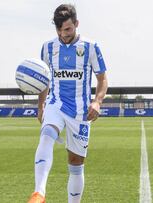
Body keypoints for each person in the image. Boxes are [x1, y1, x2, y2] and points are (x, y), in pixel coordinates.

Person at [28, 4, 108, 203]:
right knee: (47, 134)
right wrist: (41, 105)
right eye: (59, 30)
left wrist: (97, 102)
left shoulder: (90, 47)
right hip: (56, 103)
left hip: (80, 112)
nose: (64, 34)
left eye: (68, 29)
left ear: (76, 24)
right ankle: (39, 193)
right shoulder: (47, 48)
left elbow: (102, 79)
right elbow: (43, 80)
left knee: (75, 164)